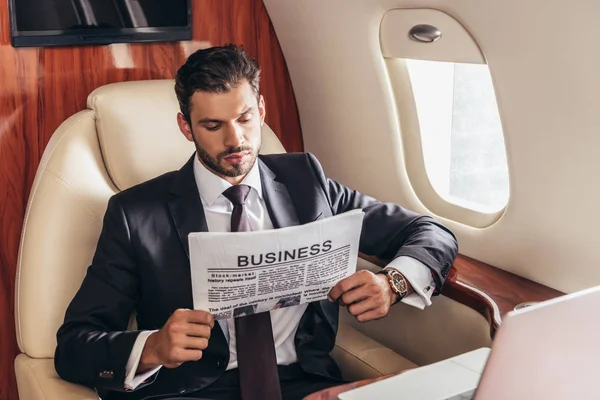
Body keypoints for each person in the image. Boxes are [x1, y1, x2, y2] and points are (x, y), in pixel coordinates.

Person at [54, 44, 458, 400]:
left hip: (302, 385)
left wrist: (393, 283)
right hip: (191, 390)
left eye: (245, 119)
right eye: (213, 126)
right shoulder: (135, 214)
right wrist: (154, 347)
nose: (235, 141)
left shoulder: (307, 181)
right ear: (186, 127)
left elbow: (430, 232)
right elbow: (74, 346)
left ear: (261, 110)